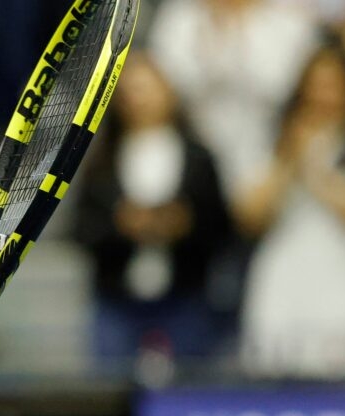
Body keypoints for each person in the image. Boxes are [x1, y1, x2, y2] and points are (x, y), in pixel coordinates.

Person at [72, 52, 232, 370]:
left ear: (169, 92)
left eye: (147, 88)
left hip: (185, 296)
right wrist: (120, 226)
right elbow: (81, 228)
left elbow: (221, 226)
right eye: (131, 91)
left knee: (189, 389)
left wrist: (185, 225)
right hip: (117, 298)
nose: (139, 100)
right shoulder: (102, 161)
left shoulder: (198, 158)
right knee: (109, 393)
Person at [235, 37, 345, 378]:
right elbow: (250, 217)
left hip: (340, 272)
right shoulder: (276, 140)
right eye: (314, 85)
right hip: (283, 272)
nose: (322, 96)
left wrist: (315, 172)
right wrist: (288, 158)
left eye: (332, 86)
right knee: (272, 373)